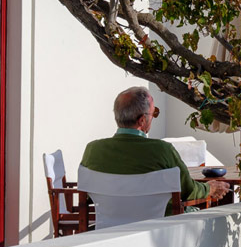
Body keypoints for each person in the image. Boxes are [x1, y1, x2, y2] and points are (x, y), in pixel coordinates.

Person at [78, 86, 209, 208]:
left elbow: (88, 193)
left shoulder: (93, 150)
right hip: (159, 228)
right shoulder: (163, 150)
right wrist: (209, 188)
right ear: (142, 120)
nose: (154, 117)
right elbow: (189, 192)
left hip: (109, 228)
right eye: (154, 113)